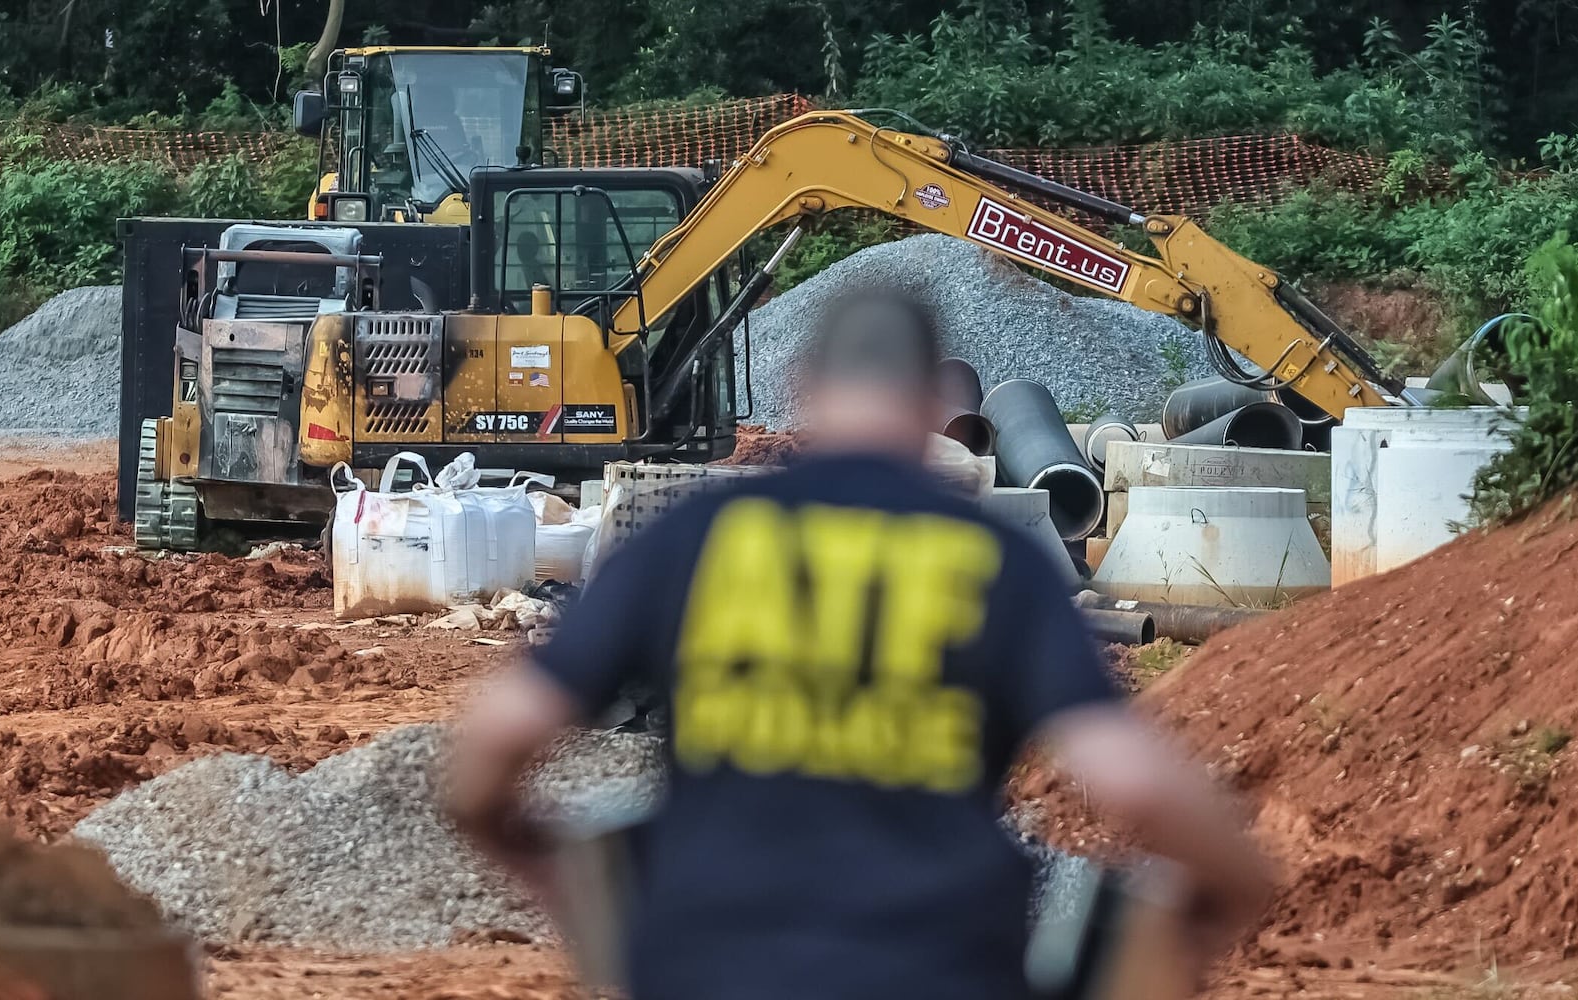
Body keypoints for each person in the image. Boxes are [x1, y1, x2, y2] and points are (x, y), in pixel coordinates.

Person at [448, 289, 1272, 1000]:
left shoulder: (691, 536)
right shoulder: (995, 563)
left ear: (805, 388)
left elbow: (496, 744)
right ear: (930, 406)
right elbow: (1128, 778)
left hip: (704, 961)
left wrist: (555, 878)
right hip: (936, 966)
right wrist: (1231, 886)